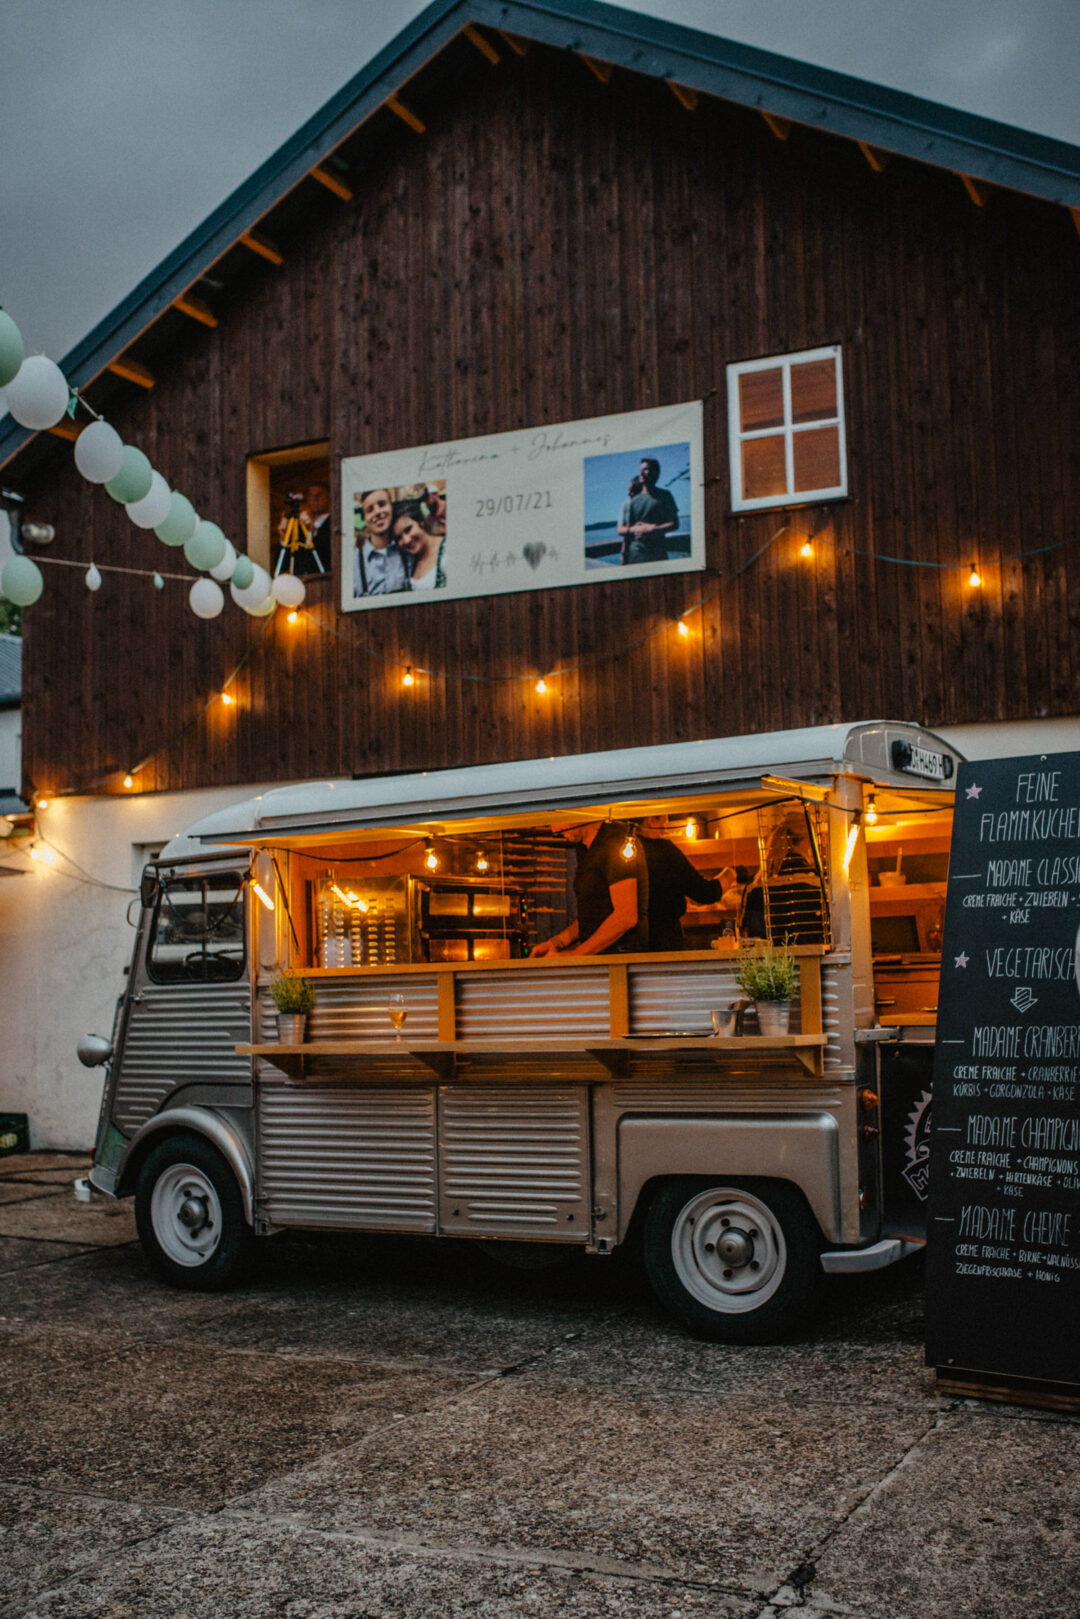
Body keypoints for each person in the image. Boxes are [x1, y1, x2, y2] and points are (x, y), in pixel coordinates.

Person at [530, 820, 648, 956]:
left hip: (621, 959)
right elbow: (593, 915)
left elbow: (626, 916)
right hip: (602, 959)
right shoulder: (585, 848)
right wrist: (556, 943)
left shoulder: (616, 840)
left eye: (557, 820)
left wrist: (575, 955)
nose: (554, 830)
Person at [639, 817, 738, 951]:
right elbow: (706, 893)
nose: (667, 823)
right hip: (664, 939)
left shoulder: (620, 849)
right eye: (664, 818)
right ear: (651, 820)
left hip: (630, 941)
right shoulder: (664, 852)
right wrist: (731, 873)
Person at [354, 488, 410, 595]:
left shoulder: (408, 549)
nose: (377, 512)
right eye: (370, 510)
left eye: (382, 504)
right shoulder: (354, 563)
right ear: (365, 518)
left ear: (391, 507)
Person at [625, 457, 679, 565]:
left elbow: (675, 524)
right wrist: (624, 555)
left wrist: (653, 529)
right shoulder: (633, 501)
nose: (642, 473)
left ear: (656, 473)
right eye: (641, 470)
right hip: (635, 554)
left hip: (657, 554)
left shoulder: (665, 496)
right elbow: (628, 532)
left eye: (646, 469)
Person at [274, 481, 333, 577]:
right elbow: (283, 564)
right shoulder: (299, 526)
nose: (315, 499)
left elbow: (329, 554)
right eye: (311, 496)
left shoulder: (333, 522)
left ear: (329, 497)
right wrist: (283, 538)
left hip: (323, 583)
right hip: (299, 583)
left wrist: (313, 531)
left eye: (319, 495)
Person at [392, 500, 446, 591]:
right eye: (399, 538)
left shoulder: (446, 551)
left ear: (421, 523)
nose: (406, 540)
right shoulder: (410, 561)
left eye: (408, 529)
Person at [617, 476, 643, 565]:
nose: (629, 494)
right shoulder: (626, 505)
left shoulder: (649, 504)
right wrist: (623, 554)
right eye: (629, 490)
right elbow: (620, 530)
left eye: (632, 491)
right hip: (630, 551)